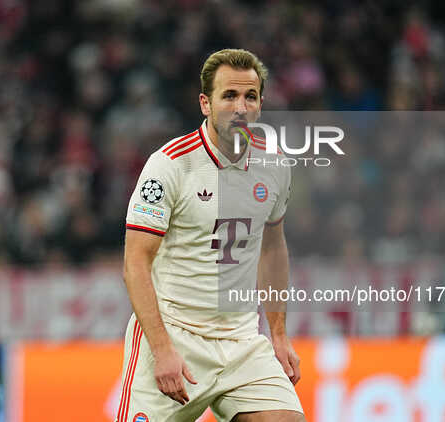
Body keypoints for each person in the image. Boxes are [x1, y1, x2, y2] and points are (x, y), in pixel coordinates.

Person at [116, 49, 305, 422]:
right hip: (174, 334)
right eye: (229, 96)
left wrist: (279, 334)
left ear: (261, 104)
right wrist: (162, 347)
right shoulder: (170, 165)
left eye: (250, 97)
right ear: (206, 103)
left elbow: (272, 249)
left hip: (241, 341)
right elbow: (135, 264)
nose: (240, 107)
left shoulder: (274, 164)